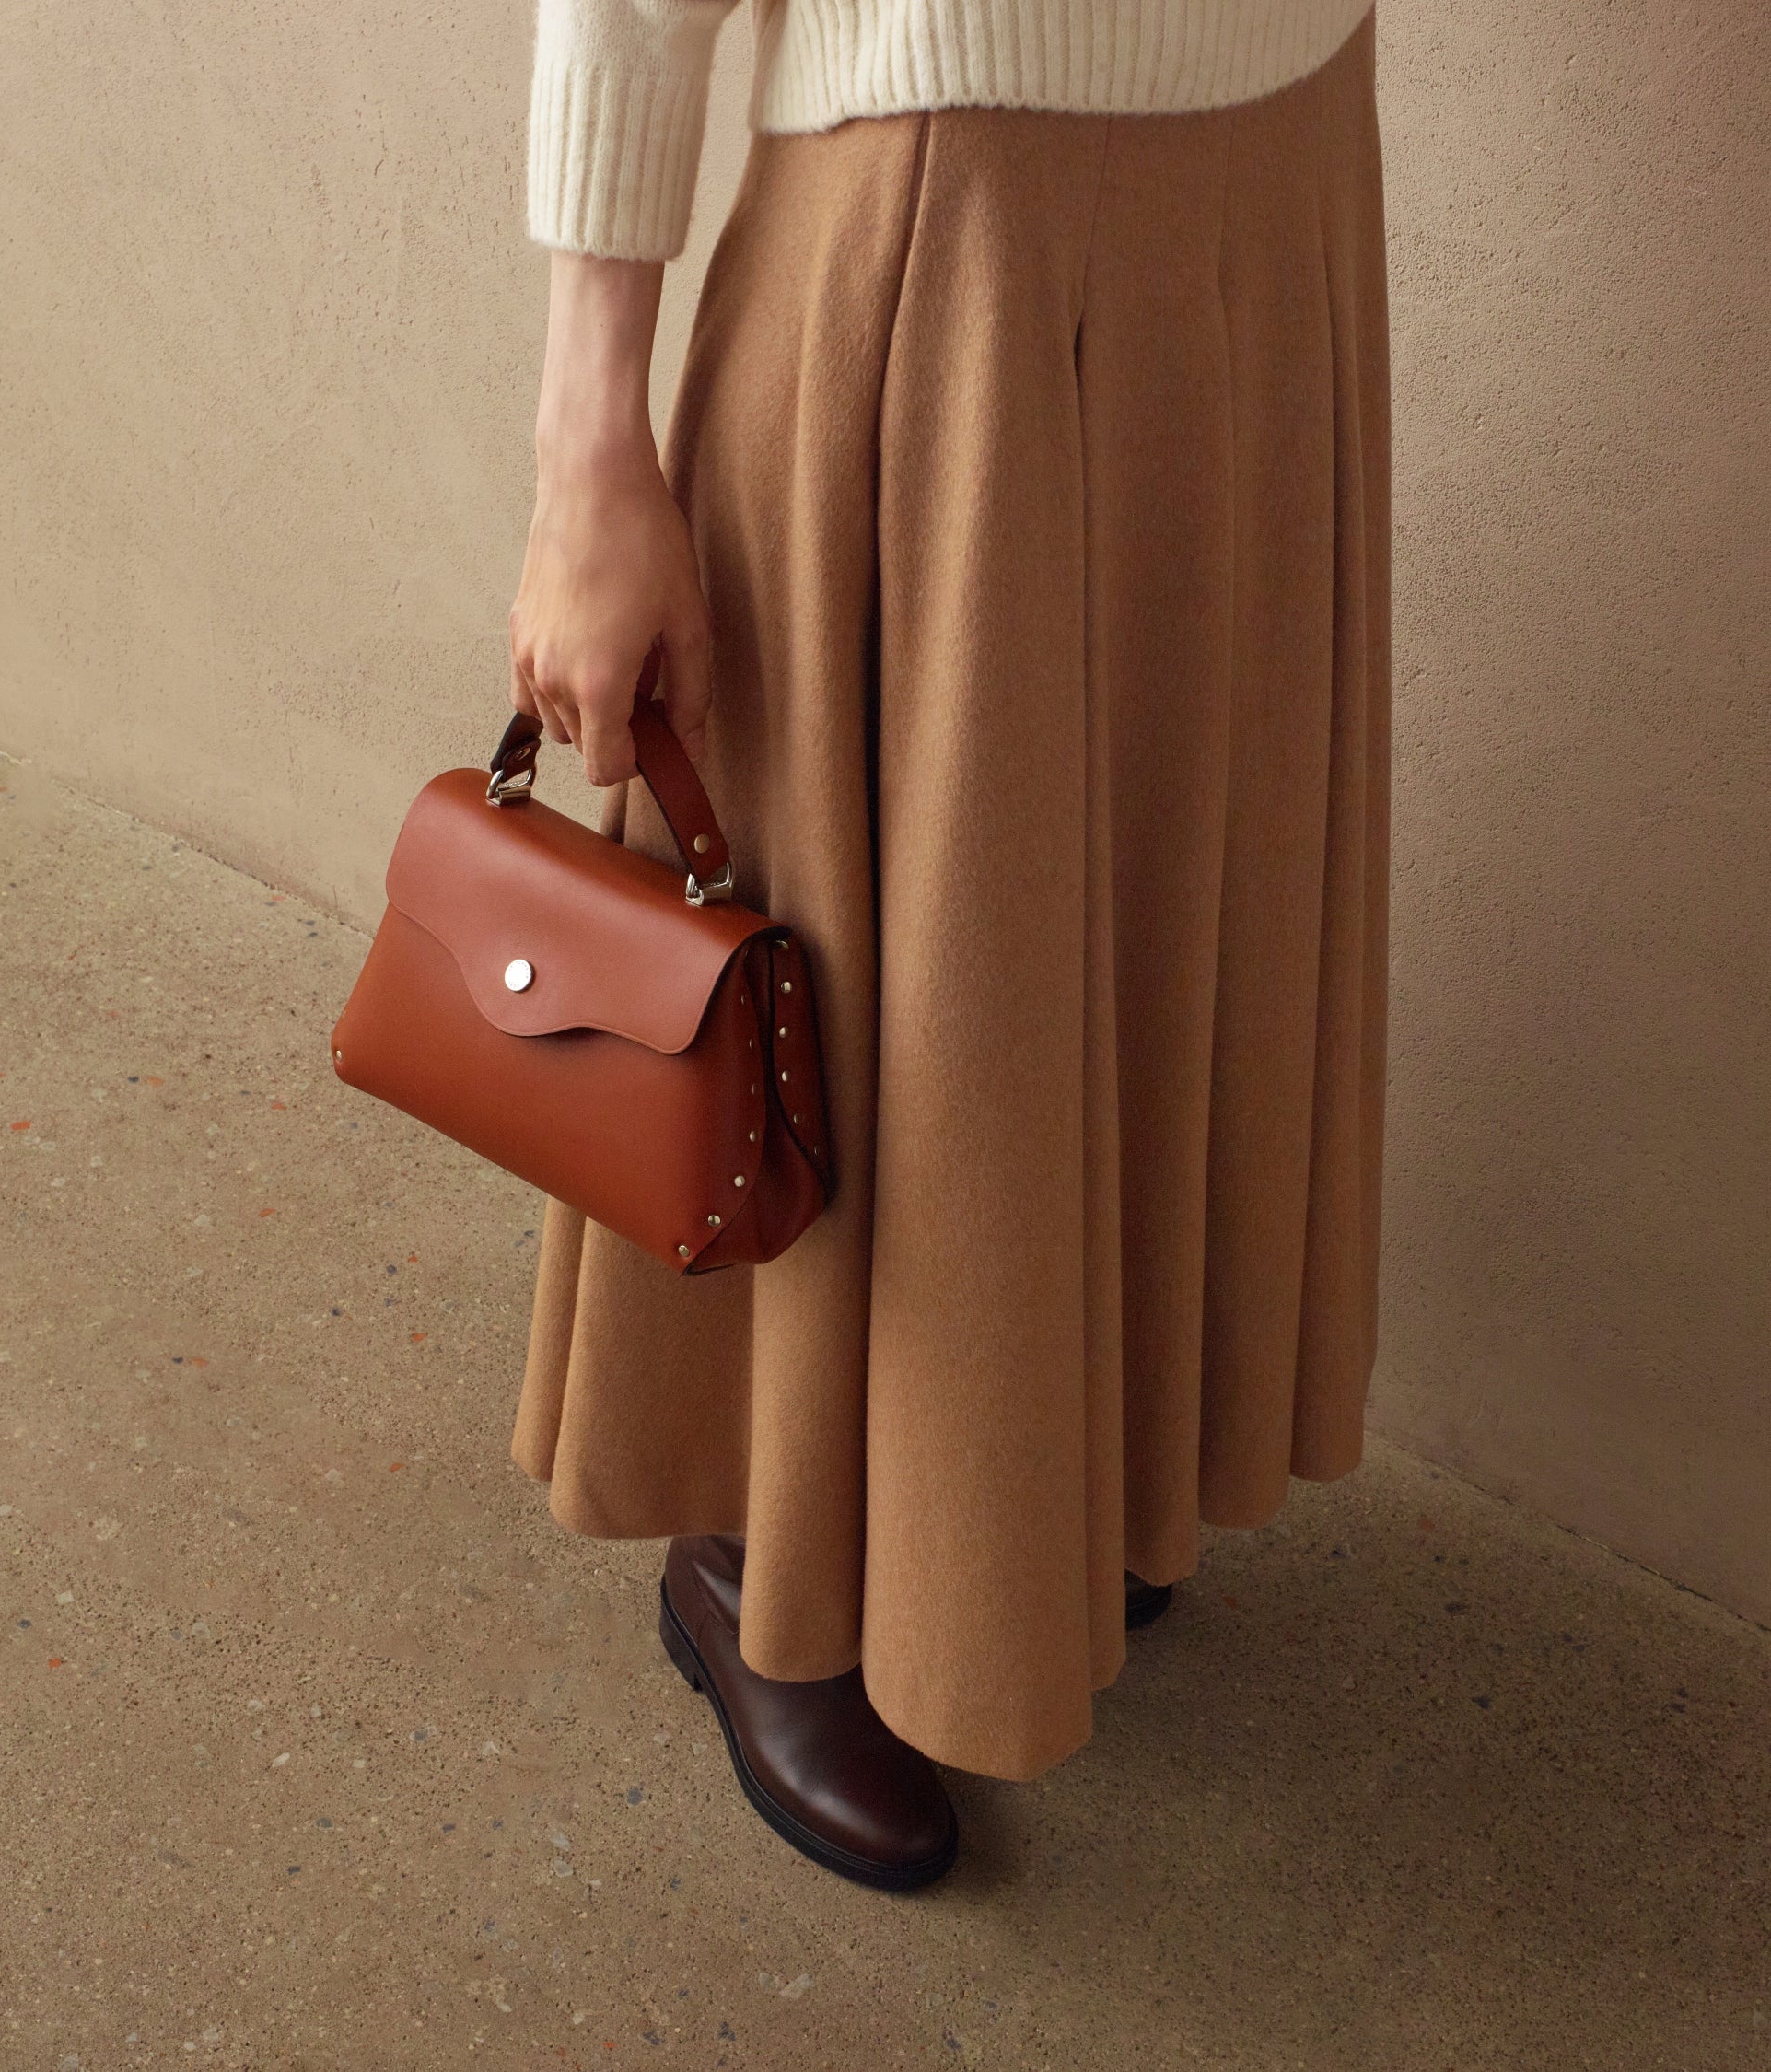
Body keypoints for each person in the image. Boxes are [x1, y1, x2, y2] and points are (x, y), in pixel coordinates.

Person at [506, 0, 1391, 1891]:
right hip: (950, 213)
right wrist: (588, 446)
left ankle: (1046, 1482)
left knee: (1162, 870)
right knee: (900, 980)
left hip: (1281, 164)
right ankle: (771, 1558)